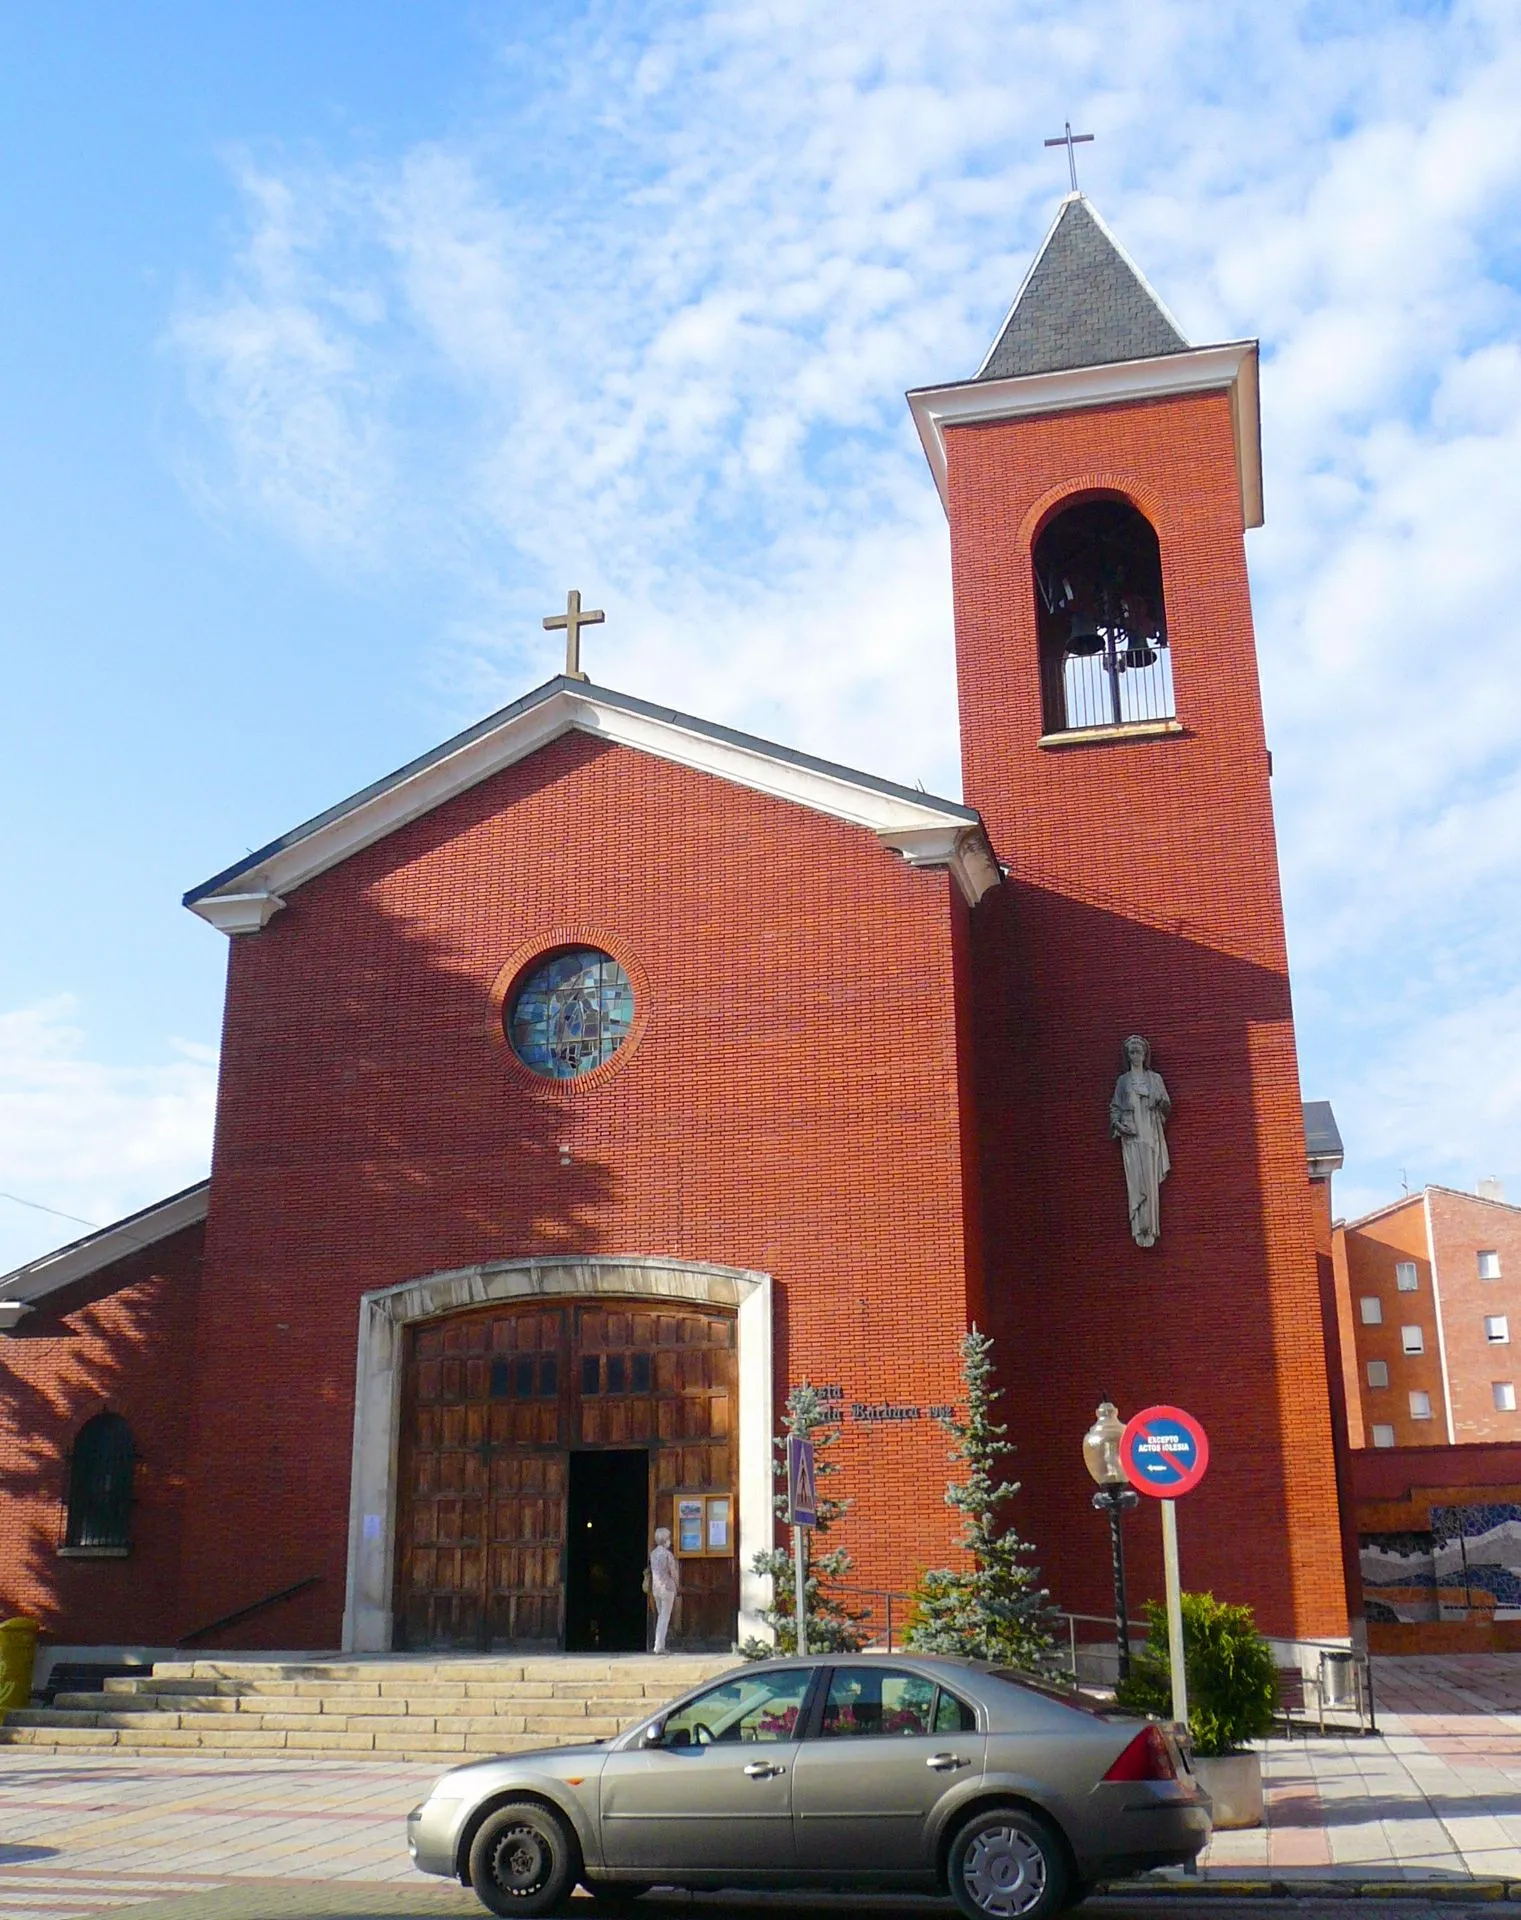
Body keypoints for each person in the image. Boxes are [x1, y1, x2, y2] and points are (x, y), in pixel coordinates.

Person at [1109, 1033, 1171, 1248]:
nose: (1135, 1056)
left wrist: (1158, 1101)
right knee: (1136, 1180)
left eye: (1139, 1052)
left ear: (1145, 1055)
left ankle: (1151, 1225)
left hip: (1150, 1136)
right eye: (1132, 1052)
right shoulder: (1123, 1081)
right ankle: (1139, 1224)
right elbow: (1115, 1108)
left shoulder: (1154, 1079)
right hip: (1132, 1138)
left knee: (1150, 1181)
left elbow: (1166, 1104)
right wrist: (1118, 1125)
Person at [648, 1526, 680, 1654]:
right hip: (667, 1588)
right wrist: (677, 1585)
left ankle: (658, 1644)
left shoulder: (653, 1554)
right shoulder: (668, 1554)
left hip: (656, 1588)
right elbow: (673, 1572)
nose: (670, 1540)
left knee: (661, 1615)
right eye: (669, 1538)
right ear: (665, 1539)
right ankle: (659, 1646)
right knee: (664, 1617)